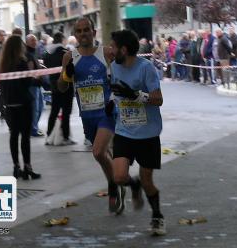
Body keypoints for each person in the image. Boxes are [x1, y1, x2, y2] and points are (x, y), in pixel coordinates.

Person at [57, 17, 121, 213]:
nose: (83, 33)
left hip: (107, 111)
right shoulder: (69, 57)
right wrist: (66, 74)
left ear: (94, 31)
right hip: (87, 115)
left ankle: (113, 187)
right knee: (104, 154)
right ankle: (117, 181)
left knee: (98, 152)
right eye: (79, 31)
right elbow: (61, 88)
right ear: (75, 35)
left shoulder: (107, 52)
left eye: (87, 30)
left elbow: (122, 75)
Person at [109, 29, 166, 236]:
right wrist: (111, 103)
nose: (111, 50)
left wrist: (136, 95)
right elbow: (115, 92)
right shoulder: (114, 66)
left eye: (113, 47)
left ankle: (157, 216)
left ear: (124, 49)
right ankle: (134, 186)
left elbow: (158, 99)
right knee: (119, 176)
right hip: (124, 131)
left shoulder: (146, 68)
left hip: (148, 134)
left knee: (148, 182)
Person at [0, 35, 41, 180]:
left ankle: (16, 166)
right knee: (25, 137)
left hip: (10, 105)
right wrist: (35, 77)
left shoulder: (3, 65)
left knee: (14, 135)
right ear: (18, 47)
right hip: (23, 104)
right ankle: (27, 167)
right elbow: (26, 83)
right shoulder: (22, 62)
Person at [43, 32, 75, 145]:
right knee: (66, 111)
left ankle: (49, 134)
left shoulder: (47, 53)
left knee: (54, 111)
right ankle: (65, 137)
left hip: (53, 85)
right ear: (62, 39)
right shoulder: (64, 52)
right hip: (66, 85)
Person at [26, 34, 46, 137]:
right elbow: (30, 71)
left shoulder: (33, 51)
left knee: (40, 106)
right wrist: (37, 74)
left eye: (35, 40)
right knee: (35, 108)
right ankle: (33, 129)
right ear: (27, 42)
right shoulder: (28, 53)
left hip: (37, 85)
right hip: (32, 85)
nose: (35, 42)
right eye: (32, 40)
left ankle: (34, 127)